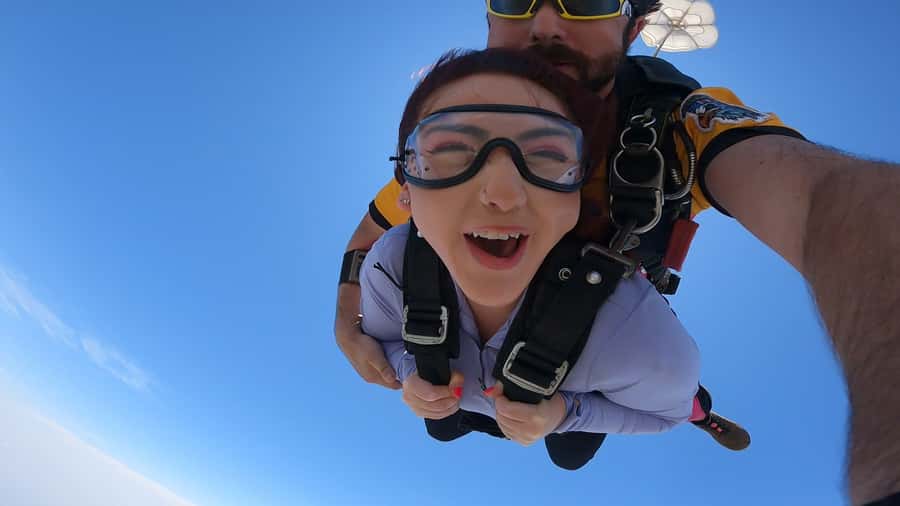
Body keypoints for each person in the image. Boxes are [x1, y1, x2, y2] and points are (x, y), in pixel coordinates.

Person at [336, 2, 900, 502]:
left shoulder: (677, 126)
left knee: (571, 446)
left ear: (635, 24)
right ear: (488, 17)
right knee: (444, 413)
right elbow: (371, 234)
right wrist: (346, 320)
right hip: (467, 324)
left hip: (591, 328)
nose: (546, 24)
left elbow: (821, 199)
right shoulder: (454, 145)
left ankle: (694, 408)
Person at [360, 47, 704, 470]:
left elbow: (666, 414)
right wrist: (409, 370)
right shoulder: (389, 265)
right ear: (406, 193)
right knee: (441, 425)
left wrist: (568, 413)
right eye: (449, 149)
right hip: (468, 388)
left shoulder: (638, 339)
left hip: (565, 397)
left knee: (569, 453)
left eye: (547, 156)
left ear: (577, 195)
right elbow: (389, 341)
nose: (502, 195)